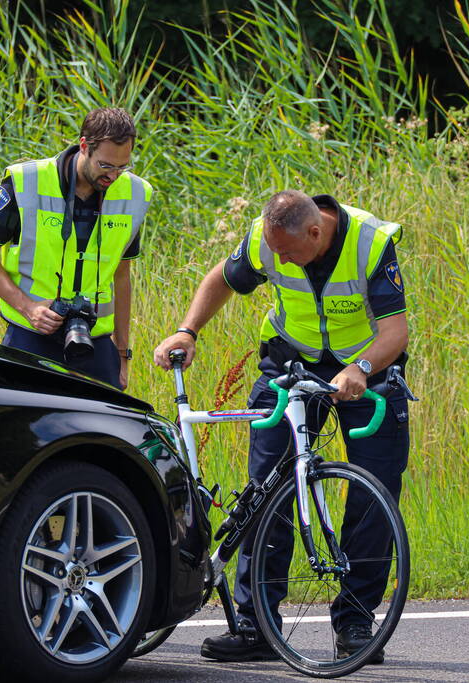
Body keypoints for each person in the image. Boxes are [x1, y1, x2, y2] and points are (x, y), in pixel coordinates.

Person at [153, 190, 410, 664]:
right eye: (276, 253)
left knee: (374, 494)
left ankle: (355, 624)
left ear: (315, 232)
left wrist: (360, 367)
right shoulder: (266, 237)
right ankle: (257, 627)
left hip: (366, 369)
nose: (281, 261)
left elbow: (396, 331)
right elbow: (222, 278)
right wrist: (188, 331)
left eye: (288, 253)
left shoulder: (370, 243)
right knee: (266, 490)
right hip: (290, 364)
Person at [0, 108, 153, 390]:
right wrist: (28, 308)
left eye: (122, 167)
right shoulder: (26, 182)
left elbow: (121, 275)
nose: (113, 176)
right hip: (31, 333)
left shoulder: (135, 194)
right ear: (84, 146)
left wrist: (122, 353)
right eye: (105, 165)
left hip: (95, 340)